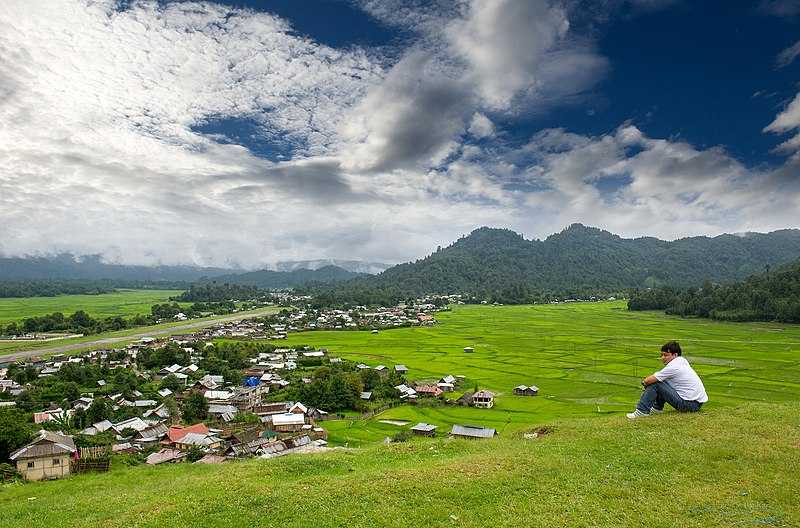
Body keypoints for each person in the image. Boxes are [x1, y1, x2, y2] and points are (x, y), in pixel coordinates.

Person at [627, 341, 708, 419]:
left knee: (655, 383)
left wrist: (644, 384)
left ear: (675, 355)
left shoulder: (673, 367)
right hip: (697, 404)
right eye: (661, 355)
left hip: (689, 405)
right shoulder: (682, 361)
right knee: (660, 381)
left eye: (666, 355)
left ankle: (641, 411)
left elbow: (648, 380)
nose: (662, 358)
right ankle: (656, 409)